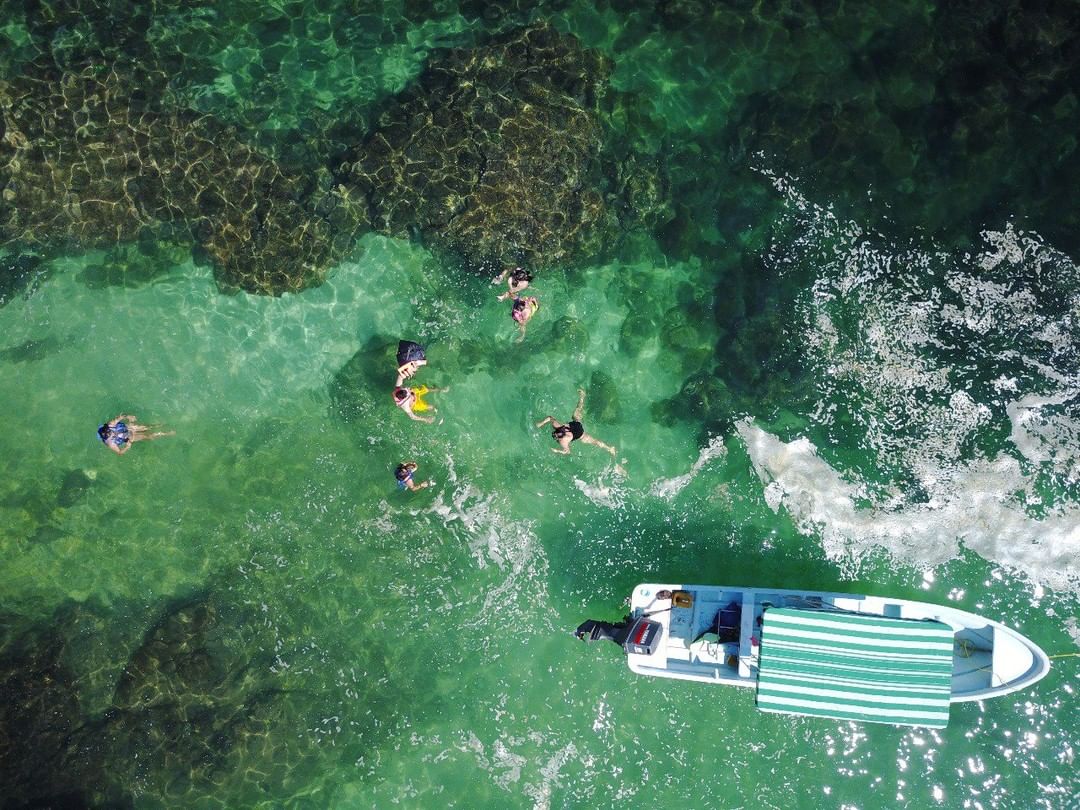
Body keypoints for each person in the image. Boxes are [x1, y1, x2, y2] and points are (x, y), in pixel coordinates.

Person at [535, 389, 619, 460]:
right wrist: (541, 423)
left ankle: (609, 448)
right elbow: (550, 418)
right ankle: (582, 397)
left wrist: (557, 451)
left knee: (594, 441)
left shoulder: (563, 441)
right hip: (576, 425)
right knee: (576, 414)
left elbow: (567, 452)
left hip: (580, 434)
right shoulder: (557, 426)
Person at [97, 413, 174, 455]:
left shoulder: (110, 425)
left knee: (148, 427)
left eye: (110, 431)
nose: (112, 434)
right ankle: (167, 433)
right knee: (148, 436)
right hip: (130, 437)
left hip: (128, 427)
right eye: (110, 435)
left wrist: (128, 416)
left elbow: (120, 417)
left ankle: (163, 424)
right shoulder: (110, 443)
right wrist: (127, 447)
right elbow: (120, 452)